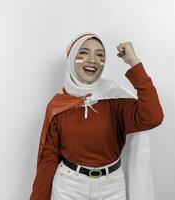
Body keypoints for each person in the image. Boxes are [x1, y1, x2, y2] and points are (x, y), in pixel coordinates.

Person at [29, 32, 164, 200]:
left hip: (111, 188)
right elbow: (48, 160)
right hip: (68, 187)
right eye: (84, 52)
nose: (92, 59)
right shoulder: (58, 106)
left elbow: (153, 117)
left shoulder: (117, 101)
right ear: (71, 58)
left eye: (99, 54)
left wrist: (134, 62)